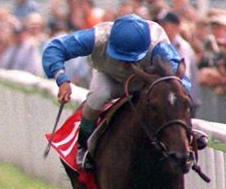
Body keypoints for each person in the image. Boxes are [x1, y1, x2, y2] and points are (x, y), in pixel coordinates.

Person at [42, 13, 191, 171]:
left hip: (145, 82)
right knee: (99, 96)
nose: (124, 64)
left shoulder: (158, 45)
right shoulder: (97, 37)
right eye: (121, 57)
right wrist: (62, 78)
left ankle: (189, 137)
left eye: (131, 58)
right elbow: (55, 48)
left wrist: (180, 90)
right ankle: (83, 146)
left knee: (172, 101)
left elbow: (181, 80)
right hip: (108, 76)